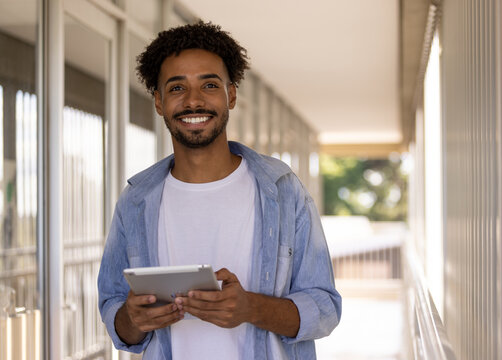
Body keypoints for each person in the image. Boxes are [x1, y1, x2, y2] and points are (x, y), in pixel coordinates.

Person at [98, 21, 341, 359]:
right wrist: (133, 318)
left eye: (209, 85)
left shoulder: (283, 190)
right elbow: (117, 316)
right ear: (158, 101)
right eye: (177, 88)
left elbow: (326, 307)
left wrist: (251, 308)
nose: (193, 101)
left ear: (231, 94)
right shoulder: (135, 200)